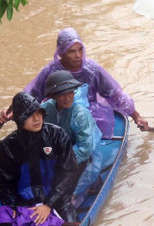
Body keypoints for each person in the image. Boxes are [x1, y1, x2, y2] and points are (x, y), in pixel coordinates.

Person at [0, 27, 150, 137]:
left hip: (88, 113)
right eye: (71, 51)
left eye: (80, 50)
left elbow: (114, 94)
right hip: (56, 113)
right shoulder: (50, 71)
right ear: (61, 53)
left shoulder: (92, 70)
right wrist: (12, 112)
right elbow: (32, 95)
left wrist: (136, 116)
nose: (78, 56)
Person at [0, 92, 79, 226]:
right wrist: (12, 206)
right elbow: (3, 183)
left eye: (39, 113)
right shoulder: (5, 147)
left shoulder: (57, 135)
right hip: (22, 202)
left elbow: (69, 172)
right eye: (30, 115)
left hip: (56, 198)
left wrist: (48, 204)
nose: (36, 119)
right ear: (19, 119)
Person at [41, 70, 106, 207]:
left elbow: (85, 148)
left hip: (81, 156)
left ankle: (91, 184)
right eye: (62, 94)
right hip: (58, 152)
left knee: (68, 195)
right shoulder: (46, 109)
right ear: (53, 96)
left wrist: (60, 161)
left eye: (70, 93)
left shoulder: (79, 113)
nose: (67, 98)